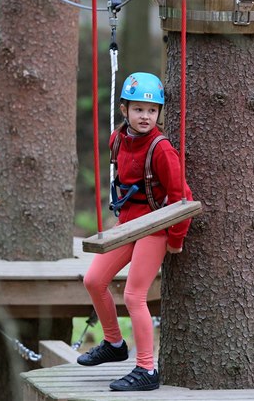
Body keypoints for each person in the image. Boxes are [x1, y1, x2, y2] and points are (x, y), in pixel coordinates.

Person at [77, 72, 193, 392]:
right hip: (128, 222)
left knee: (133, 294)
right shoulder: (118, 139)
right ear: (124, 110)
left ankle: (146, 369)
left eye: (152, 110)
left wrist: (176, 238)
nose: (146, 116)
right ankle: (114, 343)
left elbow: (182, 197)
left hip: (154, 226)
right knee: (94, 280)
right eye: (139, 109)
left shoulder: (161, 148)